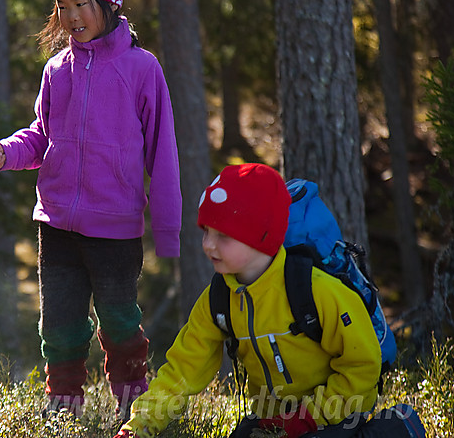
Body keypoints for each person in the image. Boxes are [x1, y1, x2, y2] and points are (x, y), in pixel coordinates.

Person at [0, 0, 181, 421]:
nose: (71, 17)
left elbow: (164, 155)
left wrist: (168, 232)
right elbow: (42, 136)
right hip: (58, 225)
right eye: (63, 6)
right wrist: (5, 153)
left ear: (107, 1)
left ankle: (133, 403)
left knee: (118, 321)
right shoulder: (57, 71)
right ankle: (64, 408)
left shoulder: (141, 69)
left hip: (115, 229)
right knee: (60, 326)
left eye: (81, 4)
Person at [114, 163, 427, 438]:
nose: (208, 245)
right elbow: (181, 372)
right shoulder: (217, 299)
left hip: (335, 410)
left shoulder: (316, 290)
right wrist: (137, 428)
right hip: (273, 418)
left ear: (261, 237)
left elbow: (362, 367)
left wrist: (309, 417)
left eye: (223, 235)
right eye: (205, 231)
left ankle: (398, 427)